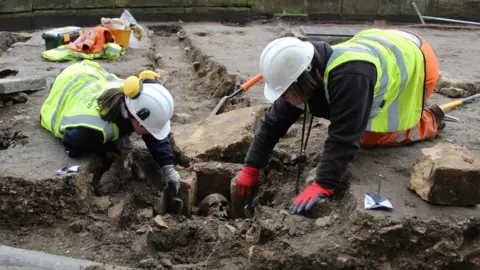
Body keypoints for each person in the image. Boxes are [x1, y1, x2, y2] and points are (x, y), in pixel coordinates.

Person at [236, 28, 445, 215]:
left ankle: (429, 120)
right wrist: (251, 166)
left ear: (304, 79)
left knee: (369, 137)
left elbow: (344, 135)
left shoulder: (350, 77)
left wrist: (324, 183)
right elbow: (273, 123)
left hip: (417, 62)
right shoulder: (302, 73)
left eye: (285, 93)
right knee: (346, 113)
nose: (283, 98)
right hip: (387, 40)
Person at [40, 60, 181, 198]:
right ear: (139, 123)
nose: (152, 133)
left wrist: (168, 166)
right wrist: (109, 146)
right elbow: (71, 145)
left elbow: (153, 135)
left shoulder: (131, 96)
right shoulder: (94, 131)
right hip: (64, 87)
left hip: (84, 72)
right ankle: (56, 78)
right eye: (151, 129)